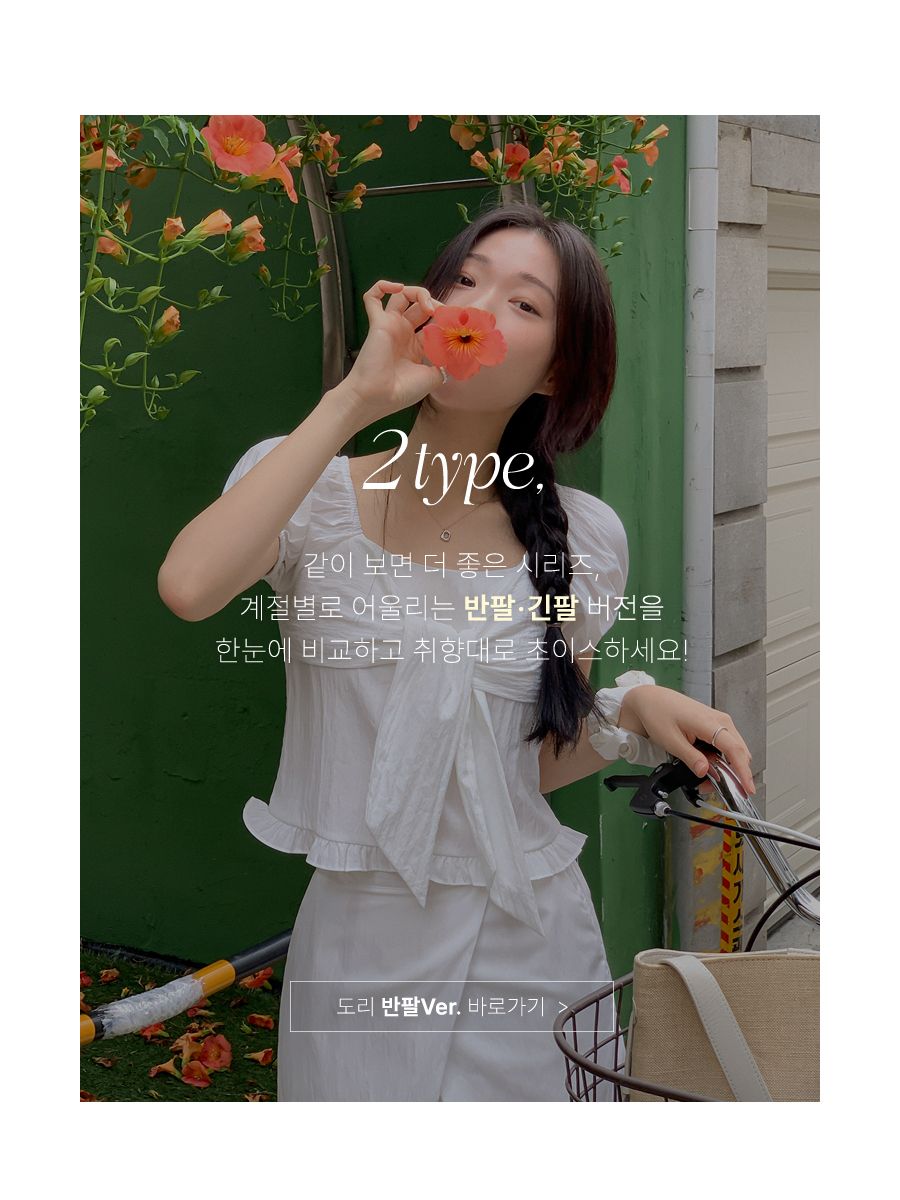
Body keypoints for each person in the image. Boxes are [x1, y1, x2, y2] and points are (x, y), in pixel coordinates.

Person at [158, 202, 755, 1102]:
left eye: (524, 302)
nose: (476, 307)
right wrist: (355, 400)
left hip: (533, 938)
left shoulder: (584, 539)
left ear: (557, 370)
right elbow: (190, 585)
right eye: (465, 281)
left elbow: (530, 768)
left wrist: (627, 710)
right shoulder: (309, 490)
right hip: (358, 945)